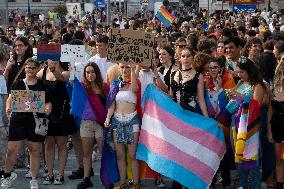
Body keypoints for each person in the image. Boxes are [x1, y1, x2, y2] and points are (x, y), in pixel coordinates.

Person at [1, 58, 52, 189]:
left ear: (37, 69)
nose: (30, 70)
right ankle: (7, 175)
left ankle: (34, 180)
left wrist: (47, 108)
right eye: (28, 67)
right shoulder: (18, 83)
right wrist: (8, 106)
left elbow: (48, 102)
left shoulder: (42, 85)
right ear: (25, 69)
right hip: (18, 119)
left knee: (34, 150)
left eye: (33, 68)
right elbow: (11, 98)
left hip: (35, 121)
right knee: (12, 150)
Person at [169, 48, 208, 189]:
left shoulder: (198, 76)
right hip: (175, 117)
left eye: (188, 56)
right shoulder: (173, 73)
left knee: (189, 149)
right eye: (183, 56)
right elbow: (170, 96)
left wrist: (206, 118)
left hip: (190, 116)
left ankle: (189, 180)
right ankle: (177, 181)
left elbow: (201, 99)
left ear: (192, 58)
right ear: (179, 58)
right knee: (177, 150)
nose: (185, 58)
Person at [225, 57, 266, 189]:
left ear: (249, 71)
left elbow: (256, 105)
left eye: (242, 72)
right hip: (236, 124)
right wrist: (231, 97)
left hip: (251, 127)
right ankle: (242, 184)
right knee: (239, 155)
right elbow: (231, 107)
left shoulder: (257, 85)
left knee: (252, 158)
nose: (239, 74)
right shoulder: (240, 83)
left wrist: (240, 96)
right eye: (238, 72)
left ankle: (255, 185)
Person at [37, 60, 75, 185]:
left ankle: (61, 174)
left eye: (53, 56)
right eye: (48, 57)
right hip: (46, 111)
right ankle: (49, 174)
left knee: (61, 144)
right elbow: (33, 81)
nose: (50, 59)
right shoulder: (42, 72)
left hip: (61, 111)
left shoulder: (66, 71)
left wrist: (53, 69)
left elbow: (62, 78)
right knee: (48, 144)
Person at [105, 61, 141, 189]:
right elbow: (111, 104)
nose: (125, 69)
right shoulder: (115, 84)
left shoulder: (135, 82)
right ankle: (122, 182)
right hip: (117, 120)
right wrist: (108, 118)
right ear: (118, 69)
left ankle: (136, 183)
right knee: (120, 155)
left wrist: (133, 70)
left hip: (132, 120)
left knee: (132, 154)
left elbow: (135, 89)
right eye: (122, 67)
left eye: (127, 67)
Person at [75, 63, 109, 189]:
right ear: (84, 74)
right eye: (87, 72)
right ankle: (86, 178)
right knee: (87, 152)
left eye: (92, 72)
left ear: (97, 73)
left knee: (103, 152)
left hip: (101, 123)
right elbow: (72, 87)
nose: (90, 75)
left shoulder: (104, 87)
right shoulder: (82, 87)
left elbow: (109, 104)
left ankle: (107, 178)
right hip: (86, 123)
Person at [268, 52, 284, 189]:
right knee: (279, 159)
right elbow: (269, 112)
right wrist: (269, 131)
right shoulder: (274, 88)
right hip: (277, 126)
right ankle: (279, 185)